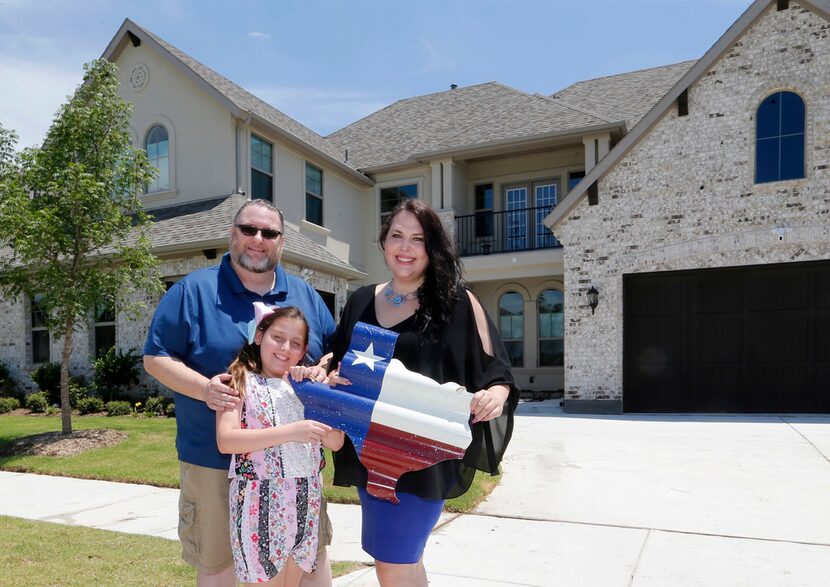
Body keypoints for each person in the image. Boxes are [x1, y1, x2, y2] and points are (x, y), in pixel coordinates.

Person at [143, 200, 336, 587]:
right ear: (232, 234)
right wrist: (205, 389)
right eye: (248, 230)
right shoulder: (193, 291)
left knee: (307, 563)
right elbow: (155, 357)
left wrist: (322, 370)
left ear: (282, 242)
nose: (258, 240)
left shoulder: (305, 295)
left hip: (295, 470)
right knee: (219, 566)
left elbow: (333, 355)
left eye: (269, 233)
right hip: (213, 461)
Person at [328, 198, 519, 587]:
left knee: (392, 561)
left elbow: (496, 370)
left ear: (432, 248)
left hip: (423, 455)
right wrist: (322, 369)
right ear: (383, 242)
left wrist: (495, 396)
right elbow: (337, 357)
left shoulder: (458, 303)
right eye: (397, 235)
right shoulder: (362, 300)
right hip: (370, 449)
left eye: (417, 239)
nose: (405, 247)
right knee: (402, 559)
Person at [216, 303, 344, 587]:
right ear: (259, 336)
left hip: (304, 499)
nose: (285, 348)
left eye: (295, 343)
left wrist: (326, 395)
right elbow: (227, 440)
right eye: (278, 337)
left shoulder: (307, 388)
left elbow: (335, 441)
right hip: (258, 500)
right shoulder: (239, 381)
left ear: (303, 350)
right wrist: (291, 431)